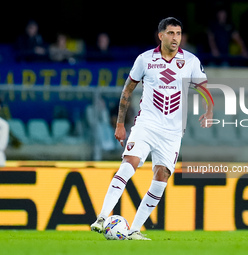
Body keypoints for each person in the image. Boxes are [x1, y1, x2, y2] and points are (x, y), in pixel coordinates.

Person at [90, 17, 213, 240]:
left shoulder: (191, 61)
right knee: (129, 165)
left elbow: (204, 88)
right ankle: (101, 217)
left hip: (173, 133)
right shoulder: (145, 60)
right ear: (161, 35)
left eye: (179, 33)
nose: (176, 38)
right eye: (171, 33)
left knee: (161, 178)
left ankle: (134, 229)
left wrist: (209, 110)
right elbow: (127, 91)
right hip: (146, 125)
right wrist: (119, 124)